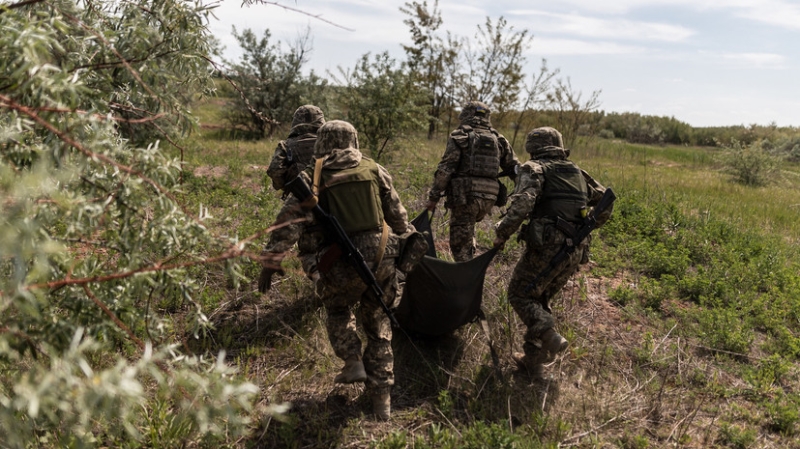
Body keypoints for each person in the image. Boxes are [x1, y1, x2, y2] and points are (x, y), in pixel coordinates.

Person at [258, 120, 413, 420]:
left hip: (339, 264)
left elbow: (287, 223)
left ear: (322, 143)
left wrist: (270, 260)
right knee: (379, 325)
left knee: (338, 308)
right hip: (383, 260)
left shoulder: (314, 176)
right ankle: (382, 401)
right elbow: (400, 221)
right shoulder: (374, 168)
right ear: (354, 140)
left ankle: (352, 359)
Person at [492, 127, 613, 379]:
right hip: (576, 248)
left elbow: (523, 204)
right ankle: (533, 360)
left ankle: (549, 334)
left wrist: (502, 232)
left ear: (533, 147)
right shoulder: (577, 171)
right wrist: (586, 226)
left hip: (549, 245)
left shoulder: (534, 169)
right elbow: (605, 200)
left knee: (520, 294)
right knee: (541, 298)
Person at [426, 101, 519, 262]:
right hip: (490, 198)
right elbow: (516, 169)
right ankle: (469, 259)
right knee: (469, 231)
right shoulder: (498, 139)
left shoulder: (460, 135)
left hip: (465, 197)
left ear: (466, 114)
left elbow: (446, 168)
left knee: (459, 246)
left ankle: (466, 280)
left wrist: (434, 196)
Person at [261, 105, 325, 283]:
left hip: (303, 206)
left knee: (309, 252)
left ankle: (322, 284)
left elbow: (275, 171)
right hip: (335, 203)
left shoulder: (286, 146)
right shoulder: (328, 144)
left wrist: (286, 185)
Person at [266, 104, 325, 192]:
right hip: (329, 195)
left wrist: (285, 187)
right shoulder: (330, 143)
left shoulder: (286, 145)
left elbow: (274, 170)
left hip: (297, 197)